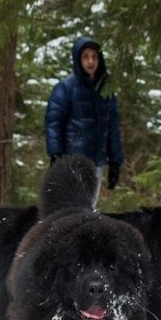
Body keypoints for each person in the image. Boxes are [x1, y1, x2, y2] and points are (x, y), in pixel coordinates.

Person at [44, 36, 124, 206]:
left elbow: (113, 128)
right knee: (71, 208)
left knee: (89, 207)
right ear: (78, 59)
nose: (90, 61)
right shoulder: (65, 88)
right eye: (85, 56)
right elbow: (53, 122)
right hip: (73, 161)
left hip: (96, 162)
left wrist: (115, 162)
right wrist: (56, 153)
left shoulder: (106, 90)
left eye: (94, 57)